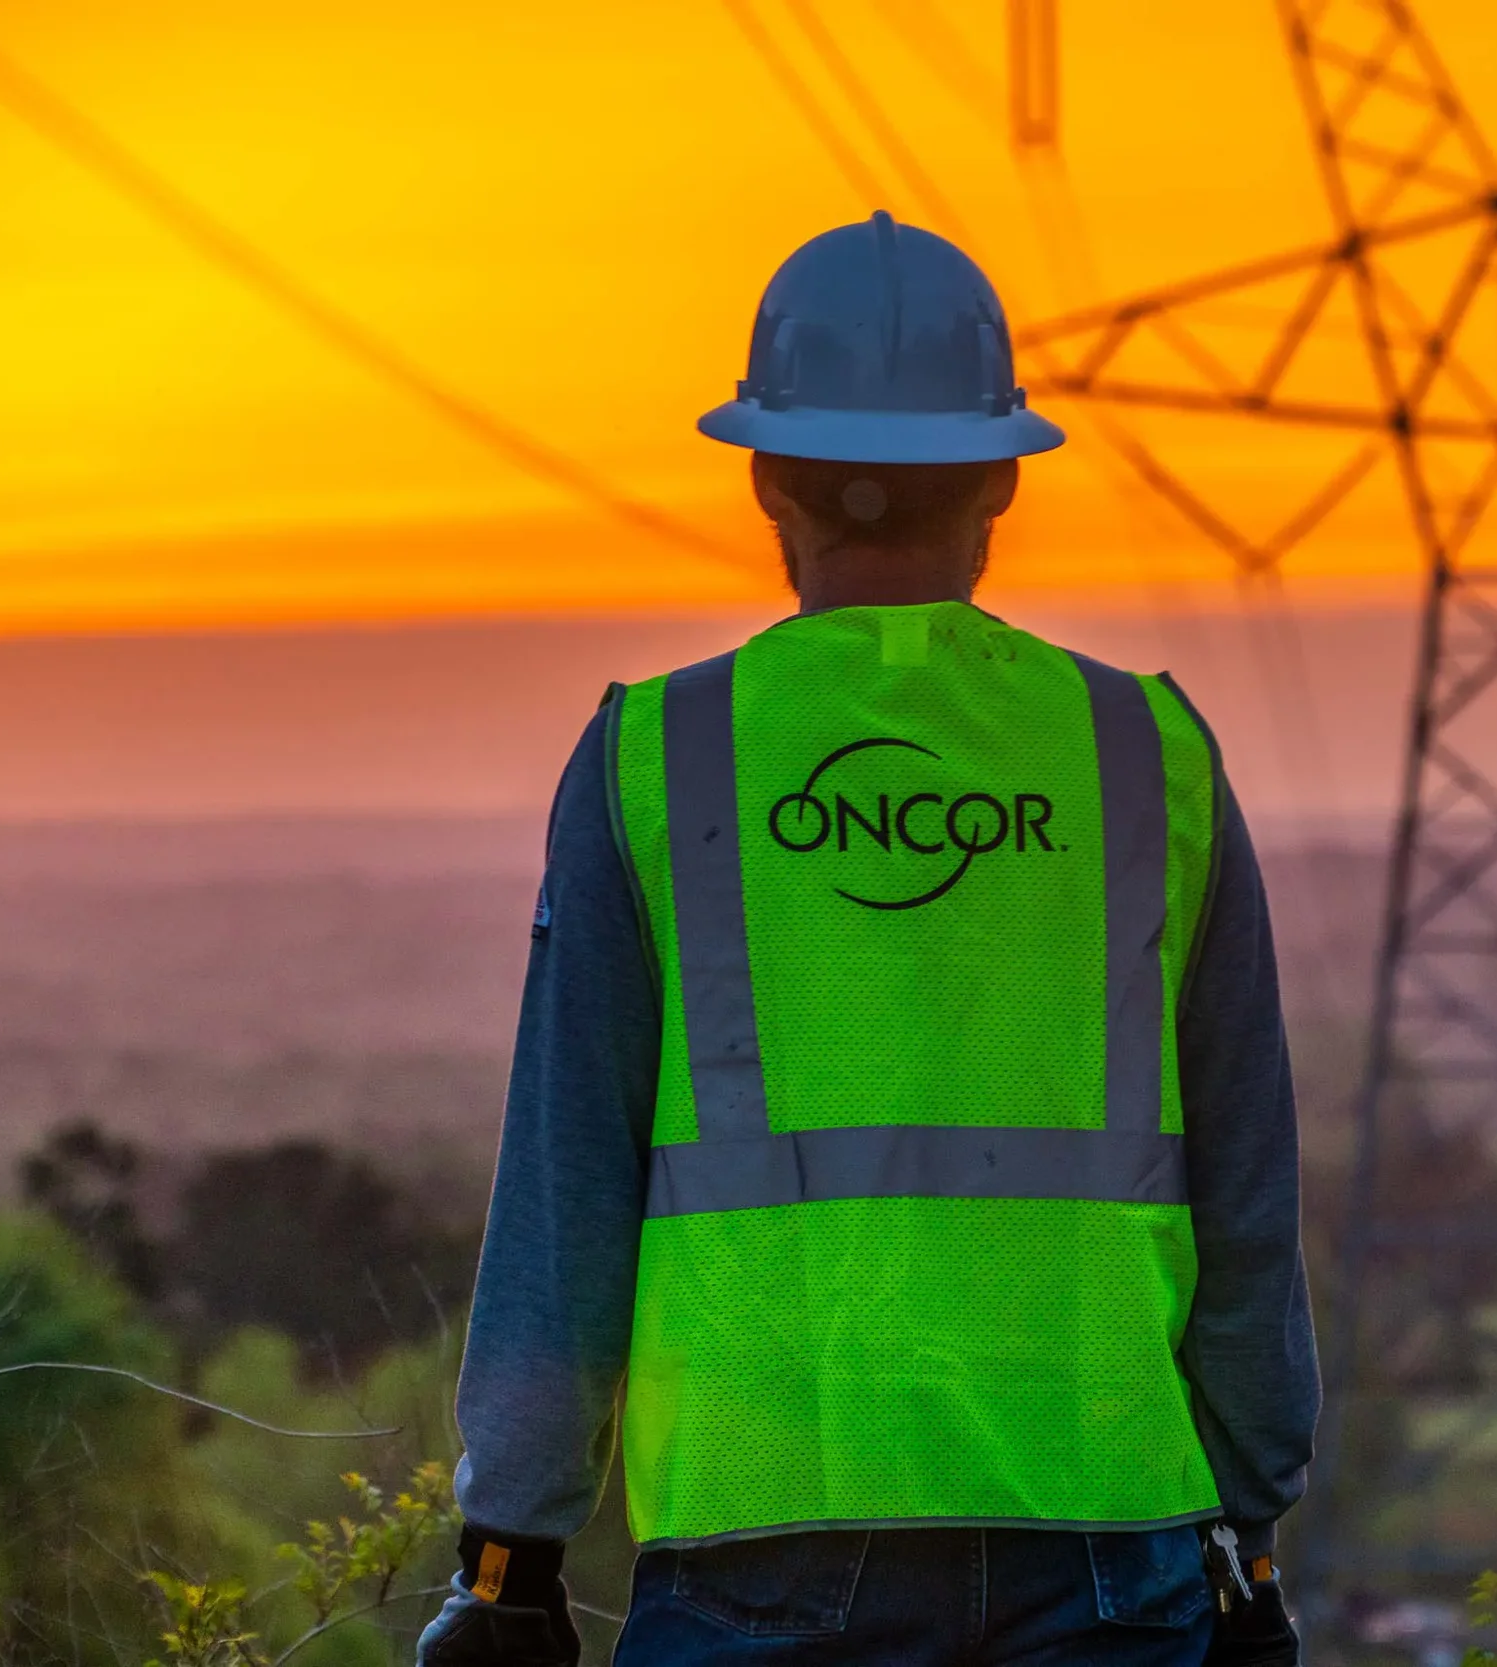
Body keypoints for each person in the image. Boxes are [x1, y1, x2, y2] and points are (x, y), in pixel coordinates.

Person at [415, 212, 1317, 1667]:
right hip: (1106, 1528)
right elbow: (1247, 1185)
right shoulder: (1145, 752)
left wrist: (514, 1553)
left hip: (760, 1535)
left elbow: (564, 1190)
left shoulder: (655, 756)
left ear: (766, 476)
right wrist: (1254, 1518)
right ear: (1004, 481)